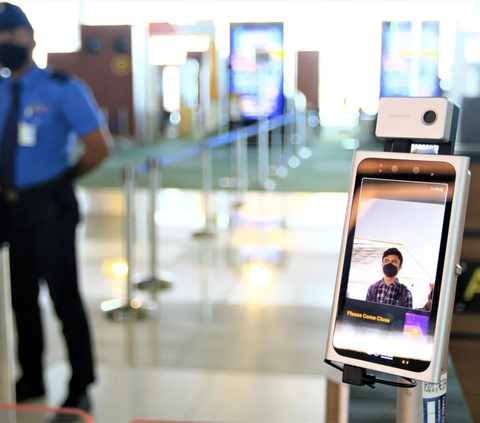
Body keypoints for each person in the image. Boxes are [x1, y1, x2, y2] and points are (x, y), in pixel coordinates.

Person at [0, 3, 111, 421]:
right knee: (21, 300)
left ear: (32, 38)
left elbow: (99, 147)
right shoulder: (0, 90)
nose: (7, 42)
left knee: (65, 299)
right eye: (0, 35)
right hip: (8, 208)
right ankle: (31, 379)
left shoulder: (62, 87)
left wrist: (60, 181)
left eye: (14, 33)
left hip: (50, 207)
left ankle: (81, 386)